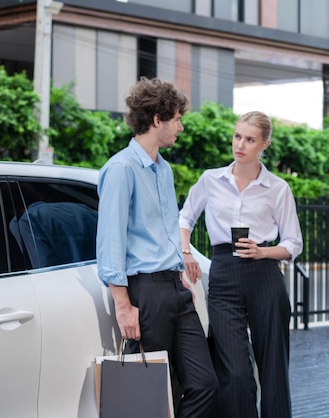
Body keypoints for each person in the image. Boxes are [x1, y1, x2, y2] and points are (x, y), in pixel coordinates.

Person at [97, 77, 218, 418]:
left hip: (175, 288)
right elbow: (110, 241)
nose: (180, 127)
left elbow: (166, 231)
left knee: (204, 383)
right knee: (151, 392)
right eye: (177, 118)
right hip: (145, 291)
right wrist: (123, 304)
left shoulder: (163, 170)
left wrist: (179, 275)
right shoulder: (121, 169)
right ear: (157, 119)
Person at [179, 111, 303, 418]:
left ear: (264, 144)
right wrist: (186, 252)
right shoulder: (210, 180)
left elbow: (293, 243)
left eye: (250, 139)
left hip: (264, 276)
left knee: (273, 367)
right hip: (223, 274)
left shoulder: (278, 188)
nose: (241, 144)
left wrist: (263, 252)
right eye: (238, 136)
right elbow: (184, 217)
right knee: (233, 372)